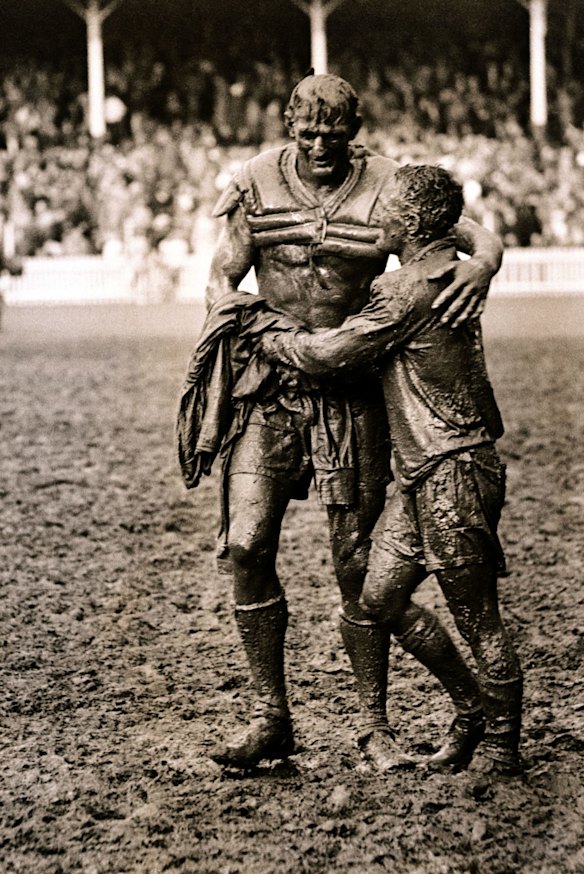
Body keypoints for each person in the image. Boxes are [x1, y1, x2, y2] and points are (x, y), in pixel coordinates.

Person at [200, 73, 504, 770]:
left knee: (355, 562)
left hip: (355, 390)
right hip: (271, 386)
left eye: (332, 133)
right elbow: (226, 269)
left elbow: (471, 235)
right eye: (306, 131)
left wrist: (484, 264)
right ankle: (270, 716)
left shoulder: (389, 182)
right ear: (288, 126)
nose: (319, 144)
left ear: (353, 130)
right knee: (245, 545)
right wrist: (227, 309)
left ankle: (374, 727)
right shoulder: (253, 179)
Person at [260, 164, 523, 781]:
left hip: (452, 469)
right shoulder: (441, 270)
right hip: (425, 472)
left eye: (388, 209)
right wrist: (485, 255)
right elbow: (461, 232)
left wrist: (271, 338)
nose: (376, 215)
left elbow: (329, 354)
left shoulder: (405, 291)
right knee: (377, 598)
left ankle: (504, 747)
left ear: (407, 223)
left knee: (478, 616)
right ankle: (472, 710)